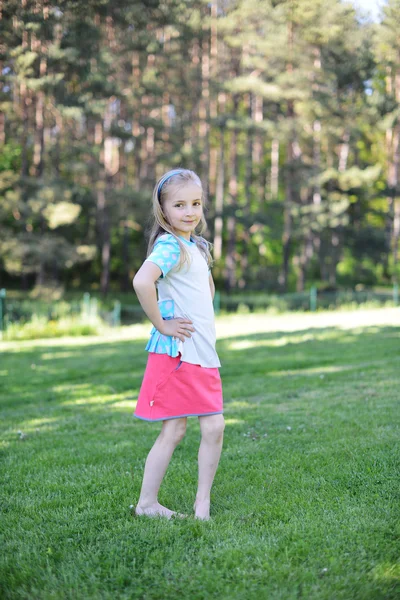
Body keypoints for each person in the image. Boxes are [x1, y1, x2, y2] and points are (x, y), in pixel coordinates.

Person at [132, 168, 224, 521]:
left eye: (196, 203)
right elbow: (143, 281)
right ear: (164, 210)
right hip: (180, 354)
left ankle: (202, 502)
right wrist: (162, 324)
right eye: (180, 204)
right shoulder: (170, 245)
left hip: (203, 351)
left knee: (213, 427)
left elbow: (207, 291)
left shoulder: (196, 246)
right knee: (175, 428)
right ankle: (147, 504)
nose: (190, 211)